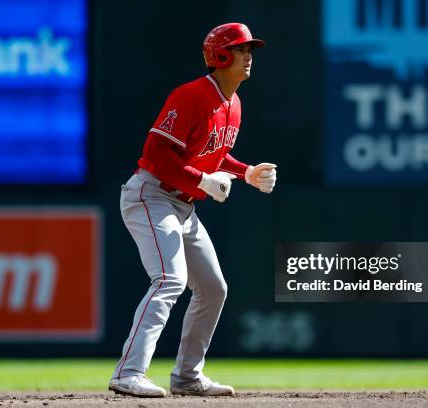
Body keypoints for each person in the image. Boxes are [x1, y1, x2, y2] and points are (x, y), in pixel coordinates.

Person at [108, 22, 277, 398]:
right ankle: (128, 372)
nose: (248, 56)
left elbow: (213, 153)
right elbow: (156, 155)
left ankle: (186, 377)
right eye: (239, 49)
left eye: (250, 50)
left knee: (214, 288)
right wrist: (202, 182)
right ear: (218, 56)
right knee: (169, 280)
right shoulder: (191, 95)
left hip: (183, 207)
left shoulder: (232, 103)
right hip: (150, 196)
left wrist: (245, 172)